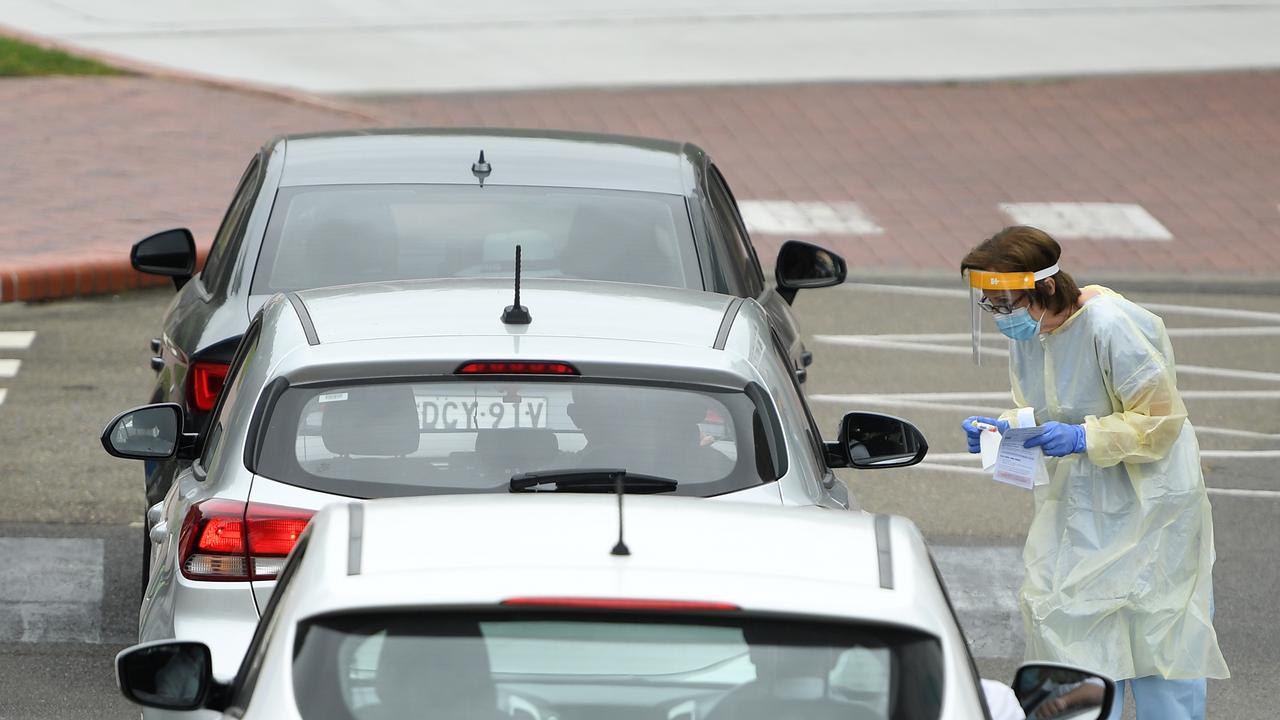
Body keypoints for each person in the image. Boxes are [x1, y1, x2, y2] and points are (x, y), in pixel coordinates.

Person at [958, 226, 1228, 720]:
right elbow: (1048, 408)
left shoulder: (1109, 325)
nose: (999, 315)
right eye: (989, 304)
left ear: (1040, 287)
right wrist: (1006, 432)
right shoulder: (1035, 332)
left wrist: (1085, 438)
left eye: (1004, 302)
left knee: (1158, 648)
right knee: (1072, 640)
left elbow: (1159, 420)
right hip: (1083, 511)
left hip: (1151, 513)